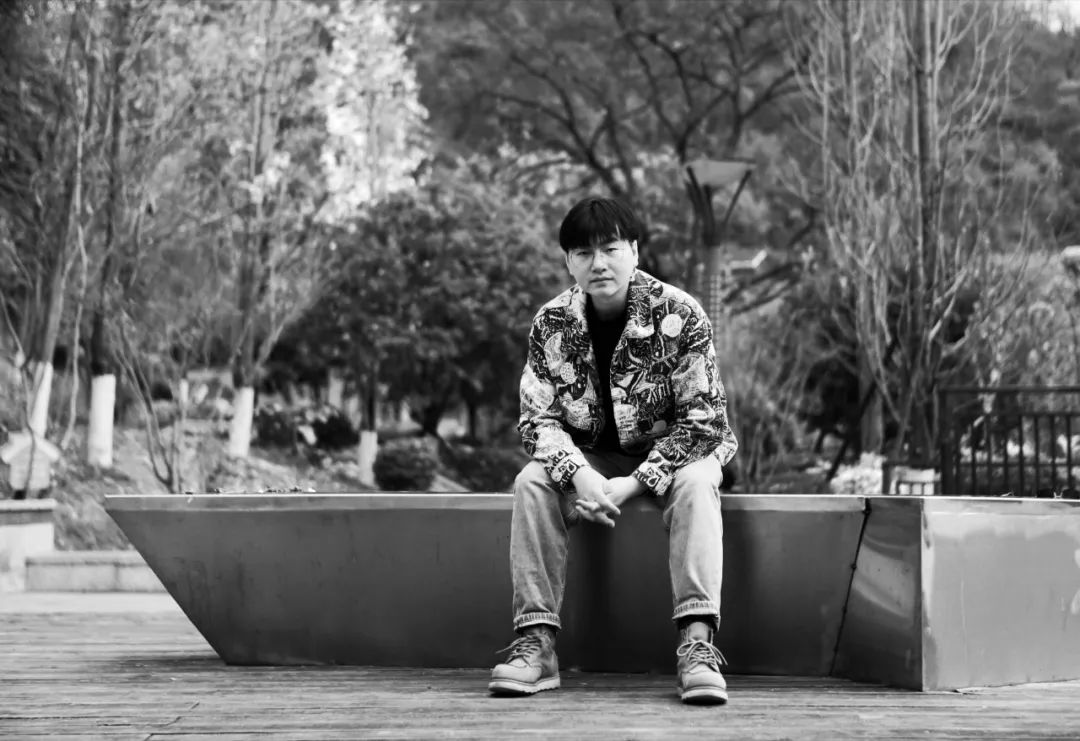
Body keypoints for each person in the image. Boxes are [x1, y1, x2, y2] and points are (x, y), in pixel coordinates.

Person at [488, 196, 738, 705]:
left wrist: (633, 484)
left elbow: (705, 421)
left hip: (677, 454)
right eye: (583, 253)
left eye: (610, 249)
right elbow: (537, 420)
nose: (598, 263)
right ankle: (537, 643)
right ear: (568, 261)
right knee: (531, 481)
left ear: (634, 252)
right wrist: (579, 474)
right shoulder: (551, 323)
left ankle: (697, 645)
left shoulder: (680, 313)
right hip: (590, 458)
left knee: (697, 483)